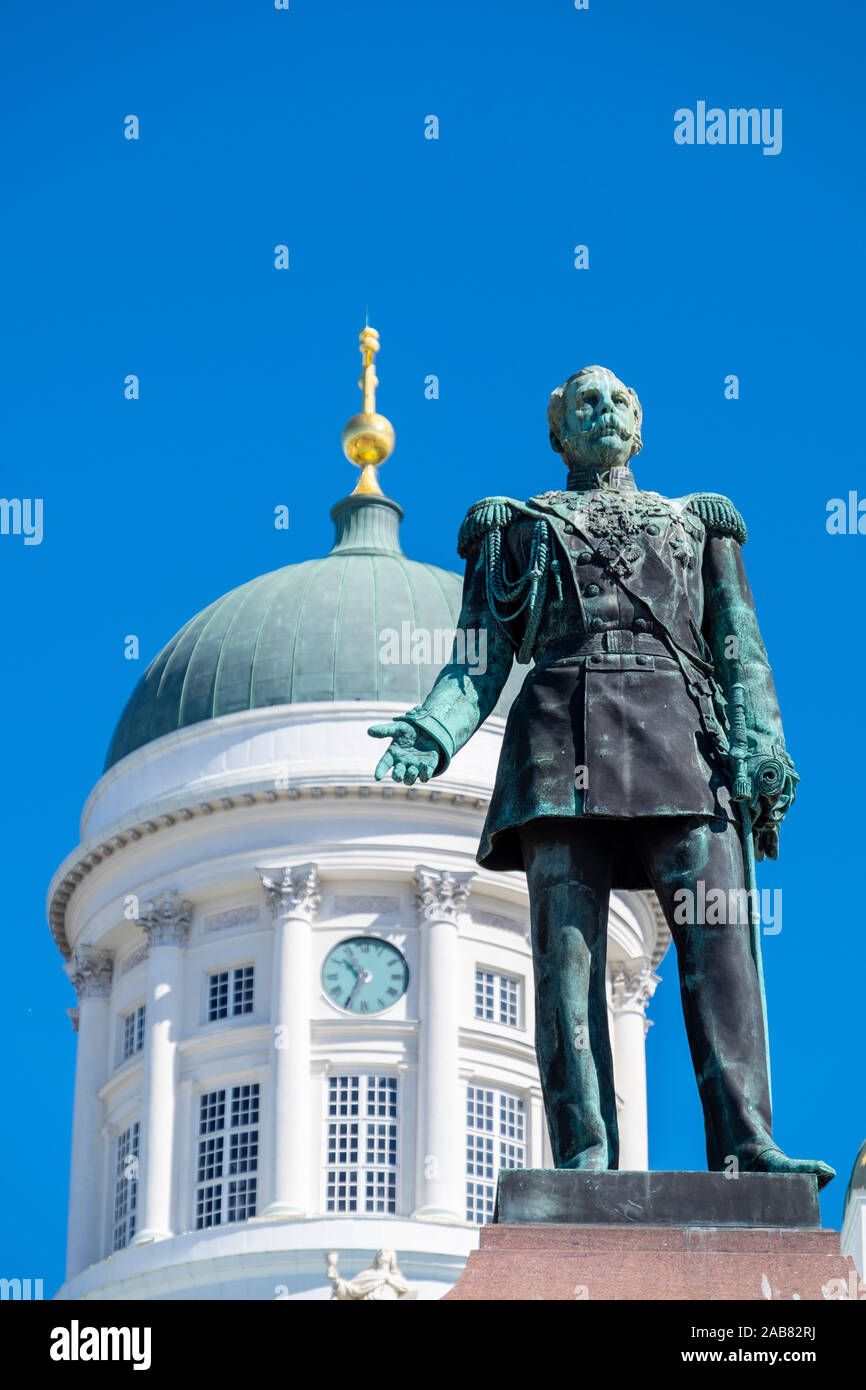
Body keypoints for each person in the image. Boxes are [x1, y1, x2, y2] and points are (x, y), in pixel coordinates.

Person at [370, 365, 833, 1186]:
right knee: (568, 961)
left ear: (639, 425)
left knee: (720, 947)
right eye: (586, 402)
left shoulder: (698, 525)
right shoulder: (518, 529)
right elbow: (478, 662)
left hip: (686, 739)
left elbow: (740, 652)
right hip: (559, 738)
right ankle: (585, 1157)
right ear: (560, 433)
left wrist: (762, 745)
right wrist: (432, 732)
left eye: (619, 400)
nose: (604, 411)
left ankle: (747, 1145)